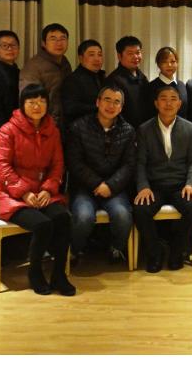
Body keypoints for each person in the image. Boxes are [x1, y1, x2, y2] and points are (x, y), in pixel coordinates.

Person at [0, 84, 75, 296]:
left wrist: (48, 189)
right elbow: (2, 167)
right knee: (42, 224)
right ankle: (35, 273)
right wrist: (24, 192)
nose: (37, 106)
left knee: (63, 218)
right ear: (22, 104)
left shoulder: (52, 130)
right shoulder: (8, 130)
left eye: (41, 101)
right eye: (31, 102)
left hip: (43, 193)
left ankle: (58, 275)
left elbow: (57, 165)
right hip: (13, 196)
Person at [134, 85, 192, 272]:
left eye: (173, 99)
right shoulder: (144, 129)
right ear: (156, 103)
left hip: (180, 186)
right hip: (154, 186)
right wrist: (143, 186)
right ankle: (155, 253)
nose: (168, 103)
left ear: (179, 104)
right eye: (163, 99)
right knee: (140, 210)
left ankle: (176, 251)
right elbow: (140, 162)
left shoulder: (190, 128)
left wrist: (191, 184)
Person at [66, 84, 135, 265]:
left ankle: (116, 249)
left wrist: (110, 185)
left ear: (121, 107)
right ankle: (75, 250)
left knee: (122, 215)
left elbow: (129, 165)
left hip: (114, 188)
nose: (111, 106)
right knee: (83, 217)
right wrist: (97, 184)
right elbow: (74, 162)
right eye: (107, 100)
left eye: (116, 102)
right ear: (97, 102)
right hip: (84, 187)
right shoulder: (78, 127)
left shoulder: (128, 130)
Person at [18, 23, 72, 129]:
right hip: (43, 125)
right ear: (43, 43)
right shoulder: (34, 66)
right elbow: (29, 100)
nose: (59, 43)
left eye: (63, 38)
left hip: (64, 122)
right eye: (53, 39)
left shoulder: (65, 62)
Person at [106, 36, 153, 129]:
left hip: (144, 130)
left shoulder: (142, 76)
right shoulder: (114, 80)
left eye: (138, 53)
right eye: (130, 53)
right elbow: (112, 112)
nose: (135, 57)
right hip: (126, 132)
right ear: (119, 56)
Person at [61, 39, 106, 128]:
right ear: (81, 58)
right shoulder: (73, 80)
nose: (97, 59)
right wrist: (98, 107)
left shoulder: (102, 77)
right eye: (91, 55)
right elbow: (70, 108)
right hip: (80, 129)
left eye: (100, 55)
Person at [149, 46, 188, 119]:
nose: (169, 65)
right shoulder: (150, 87)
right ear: (158, 64)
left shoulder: (182, 85)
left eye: (173, 62)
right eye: (164, 62)